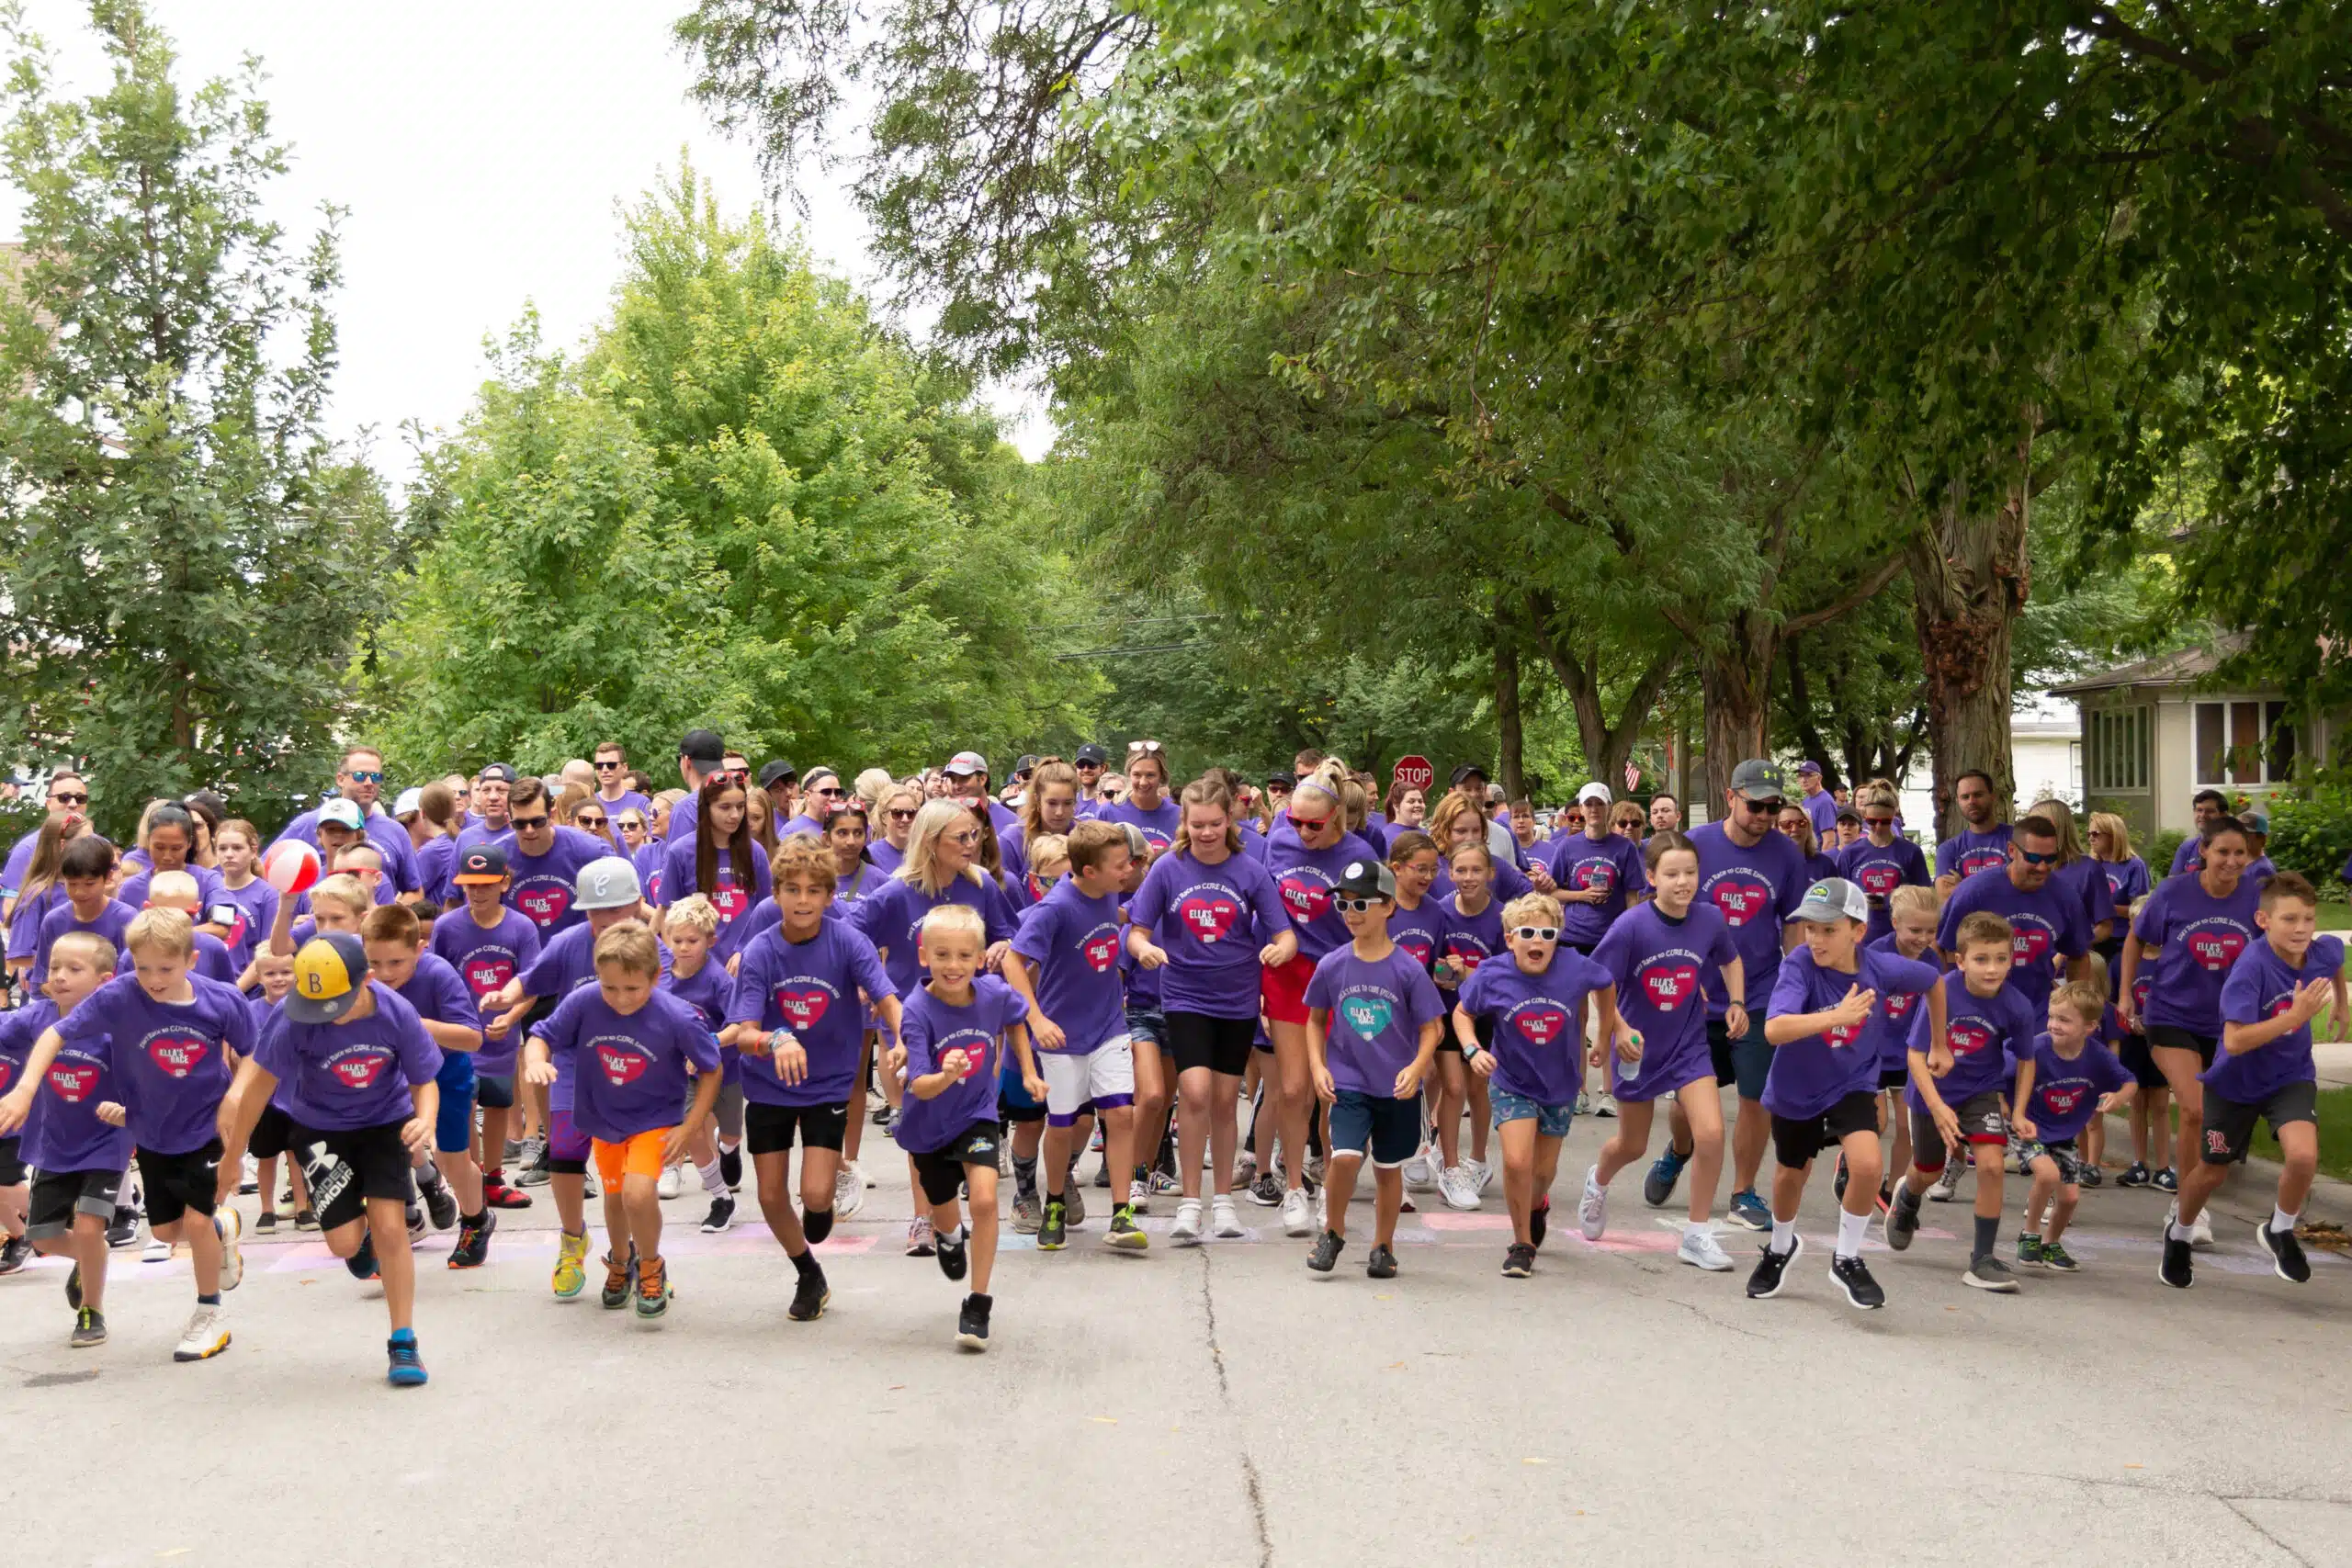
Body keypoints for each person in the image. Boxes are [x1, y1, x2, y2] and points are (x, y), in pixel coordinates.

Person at [16, 910, 251, 1359]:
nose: (154, 980)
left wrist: (235, 1097)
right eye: (143, 968)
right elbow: (54, 1035)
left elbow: (254, 1055)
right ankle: (221, 1229)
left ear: (191, 960)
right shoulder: (120, 995)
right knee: (166, 1231)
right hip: (152, 1129)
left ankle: (208, 1314)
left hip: (206, 1125)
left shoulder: (221, 1001)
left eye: (166, 968)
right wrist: (25, 1089)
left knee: (196, 1222)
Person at [219, 931, 443, 1385]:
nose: (326, 1015)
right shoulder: (293, 1015)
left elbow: (425, 1080)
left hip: (385, 1122)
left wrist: (426, 1120)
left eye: (336, 1004)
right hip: (319, 1127)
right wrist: (232, 1155)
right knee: (343, 1245)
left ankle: (403, 1340)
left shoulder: (395, 1013)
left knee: (391, 1227)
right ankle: (359, 1240)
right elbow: (259, 1088)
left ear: (366, 980)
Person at [724, 834, 900, 1319]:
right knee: (769, 1194)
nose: (802, 900)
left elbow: (886, 997)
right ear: (776, 894)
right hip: (768, 1084)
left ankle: (822, 1203)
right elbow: (744, 1032)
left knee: (817, 1196)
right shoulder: (761, 950)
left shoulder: (847, 941)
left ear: (828, 896)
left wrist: (905, 1039)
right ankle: (807, 1272)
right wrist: (776, 1040)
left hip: (828, 1081)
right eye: (792, 889)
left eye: (813, 890)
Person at [1747, 879, 1943, 1310]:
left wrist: (1939, 1044)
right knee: (1790, 1175)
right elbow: (1774, 1029)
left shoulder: (1881, 968)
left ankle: (1847, 1258)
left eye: (1828, 930)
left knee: (1868, 1165)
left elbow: (1935, 981)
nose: (1816, 939)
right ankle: (1780, 1247)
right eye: (1810, 928)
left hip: (1853, 1082)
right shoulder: (1799, 965)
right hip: (1798, 1086)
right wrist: (1835, 1016)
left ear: (1858, 931)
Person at [1127, 777, 1296, 1243]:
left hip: (1237, 998)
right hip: (1184, 995)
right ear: (1184, 822)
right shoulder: (1168, 868)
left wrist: (1281, 950)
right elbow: (1136, 930)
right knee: (1195, 1092)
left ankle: (1223, 1202)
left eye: (1215, 824)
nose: (1206, 833)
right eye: (1197, 824)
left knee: (1224, 1100)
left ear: (1230, 821)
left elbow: (1284, 932)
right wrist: (1144, 948)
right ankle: (1190, 1202)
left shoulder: (1250, 870)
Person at [526, 921, 720, 1318]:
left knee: (637, 1194)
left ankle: (651, 1265)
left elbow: (711, 1069)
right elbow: (541, 1034)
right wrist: (535, 1060)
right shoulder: (584, 1001)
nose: (620, 999)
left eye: (632, 988)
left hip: (654, 1119)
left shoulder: (677, 1016)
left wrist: (689, 1127)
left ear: (656, 976)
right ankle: (620, 1261)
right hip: (603, 1118)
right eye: (610, 987)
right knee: (615, 1199)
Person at [2164, 872, 2346, 1289]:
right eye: (2290, 920)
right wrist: (2295, 1017)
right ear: (2263, 920)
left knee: (2303, 1157)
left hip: (2290, 1075)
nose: (2301, 929)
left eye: (2308, 919)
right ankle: (2180, 1233)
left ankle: (2280, 1229)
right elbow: (2235, 1040)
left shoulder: (2317, 951)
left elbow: (2334, 957)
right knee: (2212, 1172)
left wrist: (2341, 1002)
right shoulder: (2251, 968)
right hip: (2235, 1083)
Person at [481, 856, 655, 1285]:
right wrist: (506, 995)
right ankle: (573, 1238)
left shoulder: (652, 950)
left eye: (614, 909)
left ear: (637, 905)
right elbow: (531, 978)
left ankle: (638, 1250)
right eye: (595, 911)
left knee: (629, 1175)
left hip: (633, 1067)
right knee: (563, 1150)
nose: (604, 919)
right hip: (576, 1063)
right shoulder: (569, 942)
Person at [1649, 760, 1807, 1233]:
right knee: (1687, 1100)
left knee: (1756, 1095)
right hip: (1695, 994)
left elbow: (1793, 924)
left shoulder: (1787, 854)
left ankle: (1743, 1191)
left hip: (1759, 991)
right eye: (1756, 806)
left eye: (1773, 808)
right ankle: (1679, 1150)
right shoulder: (1695, 845)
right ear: (1730, 796)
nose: (1765, 816)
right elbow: (1665, 911)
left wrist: (1796, 984)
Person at [1585, 830, 1747, 1270]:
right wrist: (1617, 1029)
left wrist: (1736, 1001)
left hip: (1688, 1046)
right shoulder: (1631, 925)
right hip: (1638, 1049)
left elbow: (1730, 959)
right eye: (1672, 874)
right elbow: (1599, 980)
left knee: (1711, 1134)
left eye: (1690, 872)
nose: (1683, 882)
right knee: (1632, 1145)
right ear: (1652, 877)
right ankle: (1597, 1182)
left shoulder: (1710, 918)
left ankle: (1695, 1236)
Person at [1446, 892, 1615, 1277]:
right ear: (1510, 939)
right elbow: (1462, 1013)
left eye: (1547, 933)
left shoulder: (1575, 966)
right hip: (1511, 1081)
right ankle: (1521, 1243)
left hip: (1560, 1085)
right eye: (1527, 933)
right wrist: (1472, 1050)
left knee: (1543, 1171)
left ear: (1558, 938)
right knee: (1517, 1161)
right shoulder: (1492, 973)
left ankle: (1537, 1205)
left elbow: (1606, 985)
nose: (1537, 940)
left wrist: (1605, 1036)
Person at [2116, 814, 2263, 1247]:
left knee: (2216, 1116)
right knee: (2194, 1110)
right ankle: (2186, 1208)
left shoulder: (2256, 897)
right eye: (2223, 852)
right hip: (2171, 1015)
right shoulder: (2174, 891)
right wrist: (2125, 994)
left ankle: (2191, 1200)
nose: (2232, 861)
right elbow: (2135, 938)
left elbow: (2278, 949)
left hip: (2229, 1022)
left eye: (2240, 853)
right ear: (2203, 851)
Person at [892, 903, 1034, 1349]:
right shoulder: (917, 1009)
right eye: (942, 955)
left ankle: (978, 1303)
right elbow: (920, 1085)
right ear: (924, 956)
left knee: (986, 1200)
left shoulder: (992, 993)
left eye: (963, 956)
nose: (953, 965)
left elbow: (1016, 1020)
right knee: (946, 1212)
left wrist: (1029, 1073)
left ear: (979, 958)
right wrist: (947, 1074)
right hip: (928, 1126)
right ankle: (949, 1236)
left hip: (977, 1114)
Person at [1004, 819, 1147, 1251]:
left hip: (1108, 1026)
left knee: (1121, 1114)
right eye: (1120, 865)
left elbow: (1127, 905)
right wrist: (1036, 1019)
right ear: (1089, 871)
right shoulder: (1055, 908)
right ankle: (1053, 1203)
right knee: (1062, 1125)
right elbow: (1013, 962)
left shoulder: (1109, 892)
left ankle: (1121, 1214)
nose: (1127, 871)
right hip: (1062, 1035)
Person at [1253, 761, 1380, 1237]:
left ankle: (1330, 1185)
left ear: (1336, 818)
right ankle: (1292, 1187)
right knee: (1293, 1089)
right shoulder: (1279, 841)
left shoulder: (1359, 853)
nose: (1303, 832)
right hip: (1287, 971)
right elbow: (1266, 906)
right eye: (1295, 821)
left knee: (1332, 1092)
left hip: (1339, 974)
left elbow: (1371, 921)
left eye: (1314, 824)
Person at [1303, 857, 1444, 1278]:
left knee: (1387, 1168)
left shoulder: (1408, 969)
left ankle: (1383, 1245)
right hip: (1348, 1081)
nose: (1351, 913)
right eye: (1343, 904)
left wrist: (1417, 1067)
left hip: (1396, 1086)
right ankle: (1332, 1232)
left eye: (1361, 904)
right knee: (1345, 1157)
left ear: (1388, 906)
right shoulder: (1332, 964)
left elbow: (1432, 1028)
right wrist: (1318, 1066)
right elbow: (1314, 1020)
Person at [1885, 911, 2039, 1292]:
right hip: (1932, 1092)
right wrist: (1937, 1107)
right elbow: (1915, 1056)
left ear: (2012, 960)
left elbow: (2026, 1060)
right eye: (1981, 959)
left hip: (1980, 1090)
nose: (1992, 969)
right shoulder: (1941, 992)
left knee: (1992, 1166)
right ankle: (1907, 1196)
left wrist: (2019, 1111)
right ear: (1961, 960)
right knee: (1929, 1171)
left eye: (2001, 959)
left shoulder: (2017, 1005)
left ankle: (1981, 1259)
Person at [0, 932, 124, 1346]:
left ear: (105, 980)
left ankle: (92, 1311)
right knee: (42, 1236)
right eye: (54, 967)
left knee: (89, 1227)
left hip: (106, 1142)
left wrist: (132, 1115)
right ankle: (92, 1258)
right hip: (53, 1144)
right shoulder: (35, 1017)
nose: (59, 976)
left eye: (74, 969)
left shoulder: (116, 1028)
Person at [361, 904, 492, 1265]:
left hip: (445, 1073)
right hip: (387, 1077)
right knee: (377, 1154)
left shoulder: (438, 974)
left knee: (452, 1160)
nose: (384, 973)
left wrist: (414, 1024)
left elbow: (472, 1038)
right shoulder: (359, 977)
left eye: (396, 962)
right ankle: (382, 1235)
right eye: (375, 963)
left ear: (420, 948)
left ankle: (476, 1219)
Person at [426, 845, 540, 1209]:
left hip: (501, 1035)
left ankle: (493, 1178)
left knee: (498, 1102)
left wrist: (510, 1017)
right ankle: (471, 1178)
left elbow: (532, 984)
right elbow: (434, 978)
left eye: (486, 884)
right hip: (461, 1037)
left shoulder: (521, 927)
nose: (477, 892)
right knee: (466, 1103)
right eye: (470, 885)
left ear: (504, 883)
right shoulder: (447, 927)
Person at [2010, 982, 2133, 1272]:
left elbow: (2130, 1081)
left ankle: (2050, 1244)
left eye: (2064, 1020)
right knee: (2047, 1174)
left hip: (2063, 1132)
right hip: (2028, 1126)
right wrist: (2009, 1111)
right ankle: (2030, 1235)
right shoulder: (2036, 1048)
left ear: (2089, 1027)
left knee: (2070, 1197)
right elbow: (2001, 1074)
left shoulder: (2097, 1055)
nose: (2054, 1024)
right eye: (2052, 1017)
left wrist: (2119, 1097)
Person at [1544, 782, 1648, 1118]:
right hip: (1574, 937)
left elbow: (1632, 896)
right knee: (1577, 1017)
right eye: (1588, 805)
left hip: (1611, 939)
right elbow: (1552, 892)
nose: (1592, 810)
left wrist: (1633, 934)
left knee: (1610, 1014)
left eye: (1599, 805)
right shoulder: (1567, 846)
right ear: (1581, 808)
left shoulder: (1623, 848)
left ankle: (1610, 1091)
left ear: (1607, 809)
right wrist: (1582, 896)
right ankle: (1579, 1089)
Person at [273, 746, 421, 897]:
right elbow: (268, 872)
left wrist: (390, 908)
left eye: (376, 777)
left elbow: (415, 891)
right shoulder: (307, 824)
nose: (369, 782)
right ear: (340, 779)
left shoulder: (395, 831)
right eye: (360, 776)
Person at [498, 778, 608, 941]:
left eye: (537, 821)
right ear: (508, 820)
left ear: (552, 815)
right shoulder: (497, 858)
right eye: (520, 823)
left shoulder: (590, 850)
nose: (529, 830)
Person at [28, 836, 135, 992]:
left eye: (89, 884)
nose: (79, 892)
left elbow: (131, 982)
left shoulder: (126, 919)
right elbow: (41, 981)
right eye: (72, 884)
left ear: (108, 877)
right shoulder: (54, 921)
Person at [1836, 783, 1930, 944]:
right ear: (1864, 815)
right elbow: (1838, 898)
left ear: (1894, 815)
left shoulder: (1910, 851)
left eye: (1885, 821)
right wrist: (1859, 900)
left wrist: (1897, 897)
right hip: (1859, 939)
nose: (1878, 827)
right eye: (1872, 821)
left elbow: (1926, 897)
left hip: (1900, 940)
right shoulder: (1850, 853)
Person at [5, 814, 92, 986]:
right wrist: (66, 965)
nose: (94, 848)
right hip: (49, 992)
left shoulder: (93, 889)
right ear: (63, 845)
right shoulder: (37, 895)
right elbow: (19, 956)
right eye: (86, 842)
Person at [2, 769, 90, 920]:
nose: (73, 804)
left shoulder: (101, 846)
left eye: (80, 798)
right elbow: (10, 909)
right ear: (48, 804)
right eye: (64, 797)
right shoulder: (27, 849)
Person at [1933, 770, 2013, 895]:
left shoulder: (2017, 839)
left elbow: (2027, 889)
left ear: (1993, 797)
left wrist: (1963, 886)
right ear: (1958, 802)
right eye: (1965, 797)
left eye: (1978, 795)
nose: (1971, 801)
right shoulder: (1948, 850)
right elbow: (1945, 897)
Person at [1096, 741, 1180, 857]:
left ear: (1161, 776)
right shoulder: (1108, 812)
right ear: (1129, 774)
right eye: (1137, 775)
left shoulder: (1178, 815)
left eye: (1150, 775)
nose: (1143, 782)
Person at [942, 750, 1021, 836]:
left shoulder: (1011, 822)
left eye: (963, 778)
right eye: (953, 780)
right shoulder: (941, 820)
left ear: (982, 779)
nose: (957, 786)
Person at [1775, 803, 1840, 888]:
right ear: (1776, 829)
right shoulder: (1768, 864)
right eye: (1786, 824)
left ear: (1808, 827)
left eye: (1801, 823)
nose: (1795, 829)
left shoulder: (1825, 864)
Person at [2168, 789, 2231, 876]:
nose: (2202, 815)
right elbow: (2172, 881)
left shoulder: (2235, 847)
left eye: (2210, 811)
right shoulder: (2187, 848)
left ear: (2223, 815)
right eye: (2199, 810)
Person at [593, 742, 652, 819]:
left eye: (611, 765)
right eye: (599, 765)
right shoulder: (588, 804)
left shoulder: (641, 802)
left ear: (624, 767)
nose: (605, 770)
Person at [1794, 761, 1838, 840]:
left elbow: (1830, 841)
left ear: (1819, 778)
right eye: (1800, 776)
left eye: (1808, 775)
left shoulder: (1825, 802)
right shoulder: (1805, 801)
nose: (1803, 780)